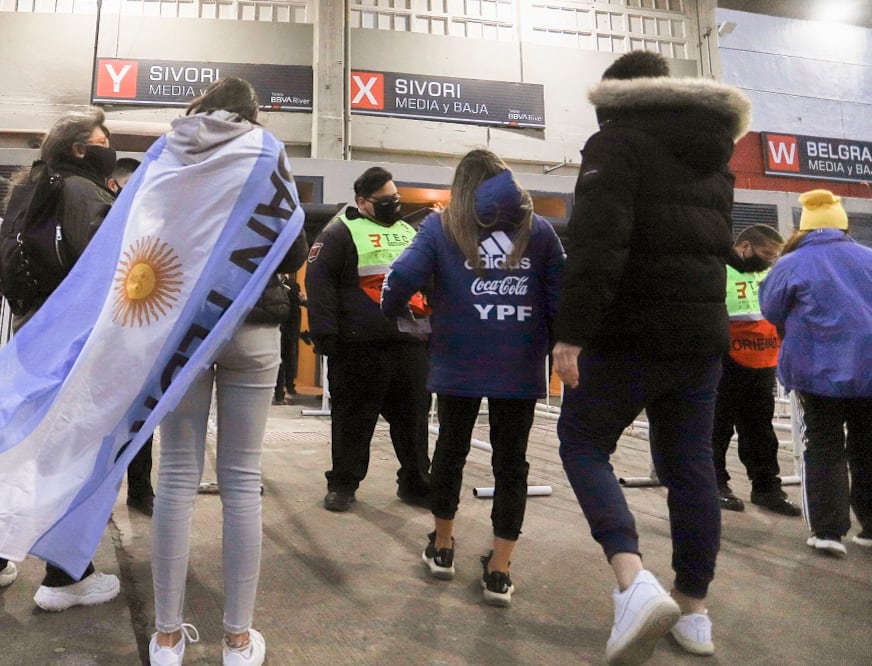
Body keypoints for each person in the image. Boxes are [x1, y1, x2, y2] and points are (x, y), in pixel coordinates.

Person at [551, 51, 752, 664]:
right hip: (699, 338)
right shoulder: (717, 156)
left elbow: (597, 243)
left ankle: (633, 582)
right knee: (690, 465)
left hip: (628, 333)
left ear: (618, 96)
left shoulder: (616, 143)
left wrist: (571, 334)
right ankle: (694, 613)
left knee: (582, 441)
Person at [148, 77, 308, 666]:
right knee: (241, 481)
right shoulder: (265, 151)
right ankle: (237, 640)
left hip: (181, 329)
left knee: (175, 478)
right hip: (252, 326)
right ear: (252, 112)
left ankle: (168, 637)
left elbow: (142, 234)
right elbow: (291, 247)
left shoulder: (166, 152)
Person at [0, 107, 121, 612]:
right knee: (73, 458)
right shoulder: (83, 191)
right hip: (77, 344)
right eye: (102, 137)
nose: (108, 143)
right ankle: (67, 576)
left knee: (25, 452)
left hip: (33, 336)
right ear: (79, 148)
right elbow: (108, 270)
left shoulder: (26, 189)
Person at [382, 149, 564, 606]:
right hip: (519, 365)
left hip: (457, 359)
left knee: (450, 450)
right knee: (511, 462)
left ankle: (442, 547)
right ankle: (499, 570)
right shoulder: (537, 230)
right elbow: (564, 295)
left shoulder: (443, 227)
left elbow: (401, 275)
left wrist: (396, 311)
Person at [305, 166, 432, 512]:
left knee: (414, 421)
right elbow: (319, 284)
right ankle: (343, 484)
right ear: (362, 202)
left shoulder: (410, 231)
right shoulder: (339, 231)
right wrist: (326, 335)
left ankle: (416, 483)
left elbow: (429, 282)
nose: (394, 204)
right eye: (385, 200)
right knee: (352, 421)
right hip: (358, 345)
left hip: (409, 342)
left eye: (396, 198)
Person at [759, 189, 872, 559]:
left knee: (822, 446)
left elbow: (772, 310)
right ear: (843, 224)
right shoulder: (869, 257)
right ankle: (870, 528)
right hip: (869, 370)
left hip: (816, 369)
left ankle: (827, 531)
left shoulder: (791, 264)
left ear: (805, 227)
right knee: (868, 446)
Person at [713, 225, 801, 516]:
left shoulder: (768, 273)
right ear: (745, 247)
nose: (769, 260)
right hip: (725, 361)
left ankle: (766, 488)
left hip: (763, 361)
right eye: (765, 254)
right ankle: (715, 484)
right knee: (717, 427)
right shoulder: (719, 270)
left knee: (760, 431)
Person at [105, 156, 157, 517]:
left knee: (140, 417)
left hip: (138, 332)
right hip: (106, 335)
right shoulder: (102, 219)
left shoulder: (150, 221)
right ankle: (100, 495)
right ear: (115, 186)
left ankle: (140, 489)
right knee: (103, 420)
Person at [272, 273, 305, 405]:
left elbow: (299, 302)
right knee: (280, 360)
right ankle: (279, 392)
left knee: (288, 359)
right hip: (277, 327)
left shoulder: (292, 286)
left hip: (289, 329)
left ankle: (286, 388)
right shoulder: (271, 285)